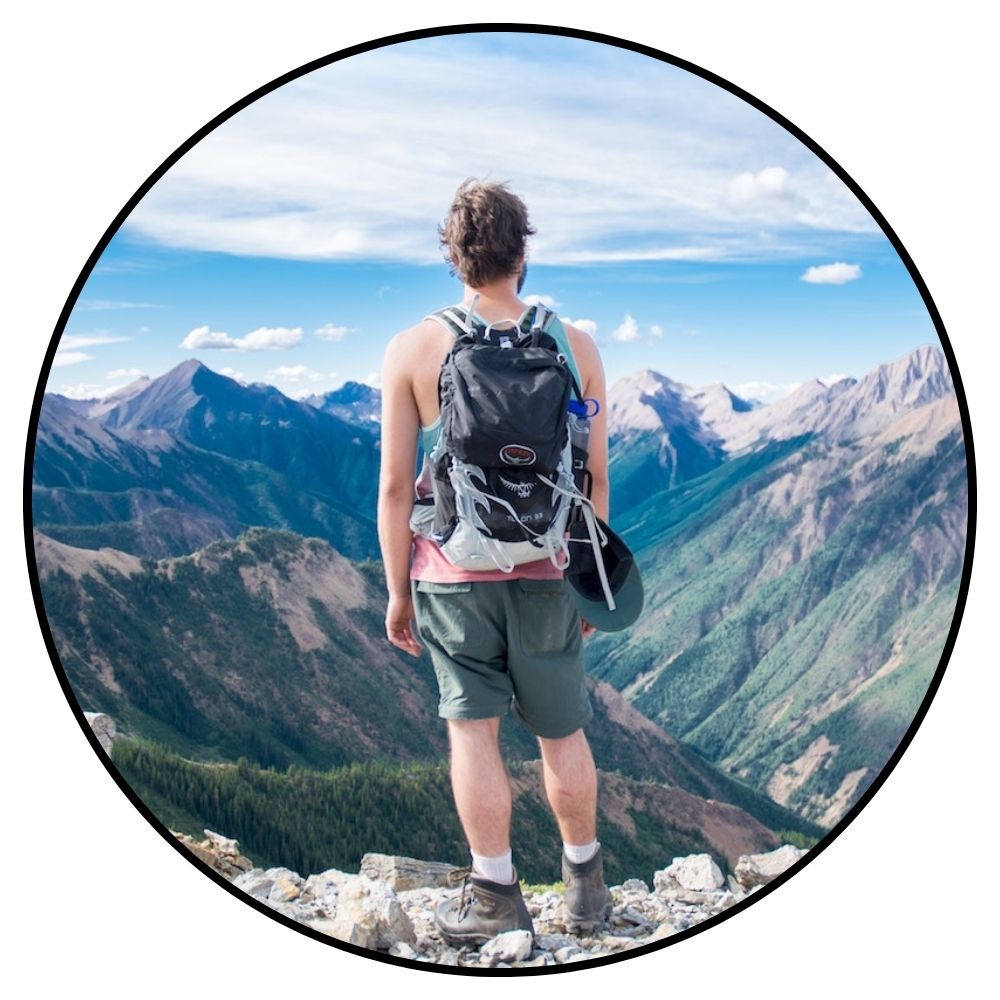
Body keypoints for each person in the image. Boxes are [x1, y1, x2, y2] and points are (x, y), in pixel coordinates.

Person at [377, 178, 612, 945]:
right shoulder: (574, 346)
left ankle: (494, 896)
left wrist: (398, 592)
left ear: (452, 256)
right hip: (550, 569)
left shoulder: (412, 349)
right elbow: (593, 478)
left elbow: (393, 487)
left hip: (451, 575)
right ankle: (586, 892)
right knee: (562, 732)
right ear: (522, 250)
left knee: (473, 735)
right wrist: (593, 580)